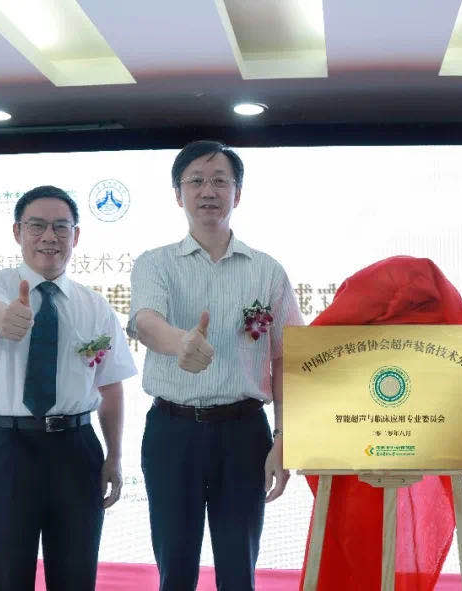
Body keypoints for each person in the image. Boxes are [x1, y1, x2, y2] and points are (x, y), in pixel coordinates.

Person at [129, 140, 302, 590]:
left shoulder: (267, 270)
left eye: (220, 181)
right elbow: (145, 322)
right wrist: (180, 343)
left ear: (237, 194)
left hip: (244, 433)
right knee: (175, 565)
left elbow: (286, 359)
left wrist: (285, 436)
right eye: (196, 181)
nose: (208, 191)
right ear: (178, 194)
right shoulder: (155, 264)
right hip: (173, 432)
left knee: (239, 567)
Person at [0, 185, 136, 590]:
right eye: (37, 226)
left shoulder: (95, 306)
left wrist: (114, 456)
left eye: (61, 227)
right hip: (9, 448)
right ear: (17, 232)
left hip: (76, 449)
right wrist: (6, 318)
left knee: (76, 575)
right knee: (7, 574)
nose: (49, 237)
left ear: (75, 236)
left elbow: (110, 386)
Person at [300, 255, 462, 591]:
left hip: (360, 452)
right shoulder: (446, 319)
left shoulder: (336, 333)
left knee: (353, 535)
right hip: (372, 448)